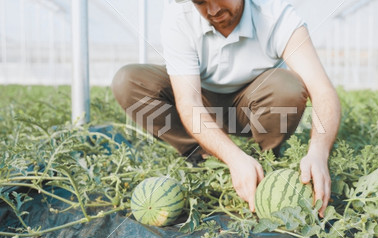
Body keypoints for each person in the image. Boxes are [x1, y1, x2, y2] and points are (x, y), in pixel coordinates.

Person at [111, 0, 341, 218]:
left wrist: (318, 152)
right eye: (200, 2)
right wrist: (232, 157)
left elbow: (322, 89)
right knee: (128, 81)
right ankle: (202, 155)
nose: (212, 10)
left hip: (253, 105)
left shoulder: (275, 15)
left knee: (287, 88)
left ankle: (266, 158)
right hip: (202, 103)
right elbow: (188, 101)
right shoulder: (178, 16)